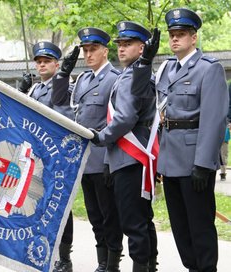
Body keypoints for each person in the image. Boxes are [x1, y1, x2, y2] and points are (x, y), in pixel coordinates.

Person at [132, 8, 229, 272]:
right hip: (169, 161)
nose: (175, 39)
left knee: (200, 227)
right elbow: (140, 95)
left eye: (181, 34)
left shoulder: (209, 70)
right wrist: (144, 62)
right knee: (180, 228)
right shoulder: (165, 69)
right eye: (172, 35)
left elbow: (214, 119)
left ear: (193, 37)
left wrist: (204, 163)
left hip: (194, 160)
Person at [90, 21, 160, 272]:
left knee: (133, 222)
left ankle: (143, 267)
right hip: (125, 158)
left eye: (127, 44)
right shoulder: (128, 75)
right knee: (141, 219)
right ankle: (149, 266)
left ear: (142, 48)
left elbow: (125, 118)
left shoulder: (135, 76)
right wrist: (109, 159)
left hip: (132, 157)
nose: (121, 49)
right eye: (119, 44)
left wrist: (101, 137)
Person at [52, 27, 124, 272]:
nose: (88, 54)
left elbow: (115, 121)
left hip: (104, 157)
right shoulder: (83, 79)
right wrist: (63, 72)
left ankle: (112, 264)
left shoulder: (115, 78)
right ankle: (102, 262)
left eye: (93, 49)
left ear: (105, 51)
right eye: (85, 50)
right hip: (84, 160)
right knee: (94, 215)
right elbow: (60, 101)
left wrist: (108, 161)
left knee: (108, 215)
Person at [18, 41, 74, 272]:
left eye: (46, 61)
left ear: (56, 64)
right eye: (38, 62)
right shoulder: (36, 89)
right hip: (36, 158)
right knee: (38, 204)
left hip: (55, 158)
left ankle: (64, 257)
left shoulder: (63, 87)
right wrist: (21, 92)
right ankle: (42, 251)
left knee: (60, 206)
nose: (41, 65)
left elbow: (60, 117)